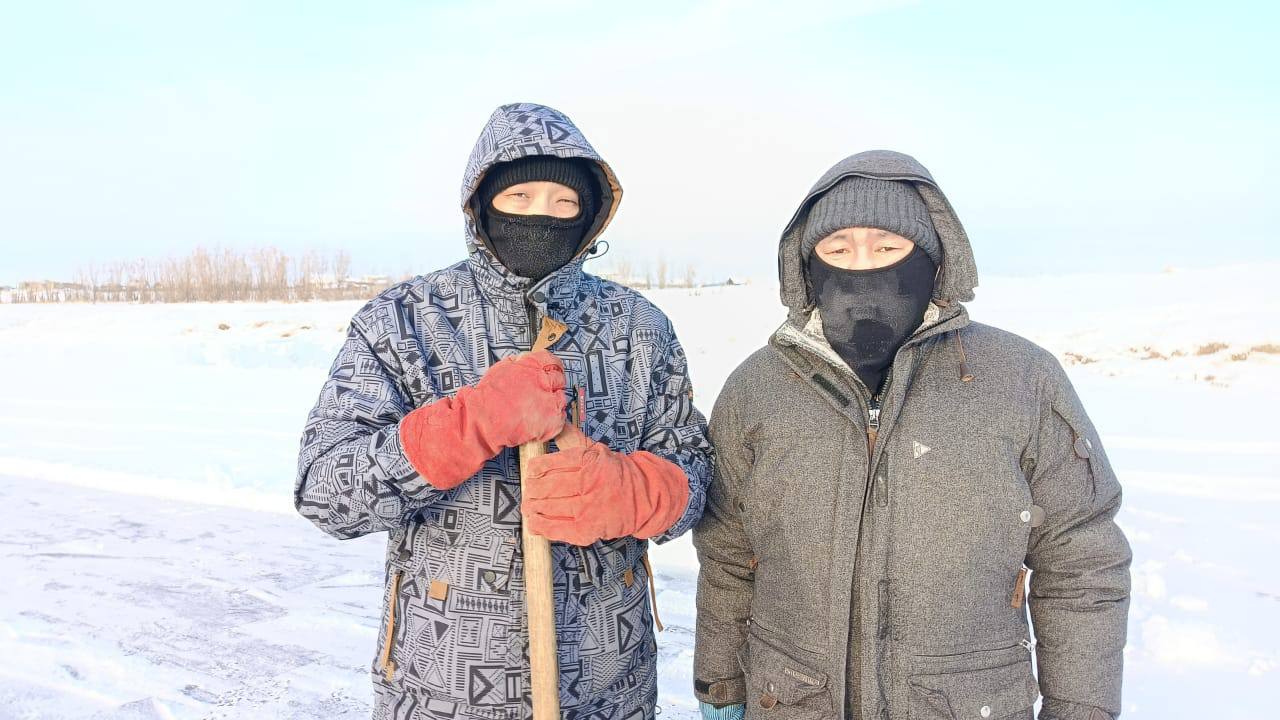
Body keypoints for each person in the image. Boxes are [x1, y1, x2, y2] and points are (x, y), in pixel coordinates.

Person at [294, 102, 712, 720]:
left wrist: (637, 490)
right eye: (520, 196)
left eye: (563, 202)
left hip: (609, 688)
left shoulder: (637, 327)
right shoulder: (405, 320)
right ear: (481, 201)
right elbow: (325, 492)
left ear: (591, 213)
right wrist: (468, 424)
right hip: (440, 687)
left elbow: (695, 471)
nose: (541, 216)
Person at [692, 150, 1131, 720]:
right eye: (838, 249)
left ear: (931, 257)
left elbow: (1081, 559)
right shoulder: (759, 386)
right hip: (791, 701)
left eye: (887, 248)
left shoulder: (1020, 378)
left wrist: (1080, 707)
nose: (862, 267)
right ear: (806, 265)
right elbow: (727, 551)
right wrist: (721, 685)